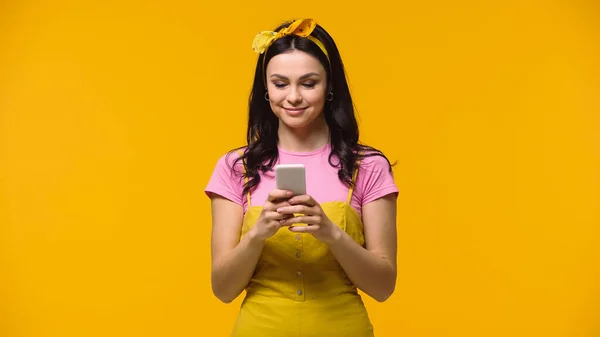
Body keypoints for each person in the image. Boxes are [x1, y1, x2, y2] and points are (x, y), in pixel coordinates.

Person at [205, 18, 399, 337]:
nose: (293, 97)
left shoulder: (368, 166)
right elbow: (223, 290)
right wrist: (257, 234)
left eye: (308, 83)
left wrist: (330, 233)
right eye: (280, 83)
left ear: (330, 86)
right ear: (265, 90)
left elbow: (383, 287)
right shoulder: (235, 166)